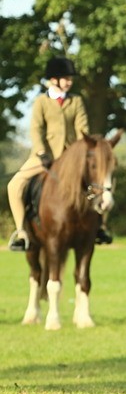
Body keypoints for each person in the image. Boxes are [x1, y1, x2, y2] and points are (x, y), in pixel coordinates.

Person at [7, 56, 111, 250]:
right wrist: (40, 151)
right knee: (15, 185)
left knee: (102, 182)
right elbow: (36, 129)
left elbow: (83, 129)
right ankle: (21, 232)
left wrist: (81, 151)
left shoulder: (76, 101)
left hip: (72, 159)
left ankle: (101, 227)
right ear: (54, 79)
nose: (70, 82)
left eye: (71, 79)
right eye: (66, 78)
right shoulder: (41, 102)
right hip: (44, 156)